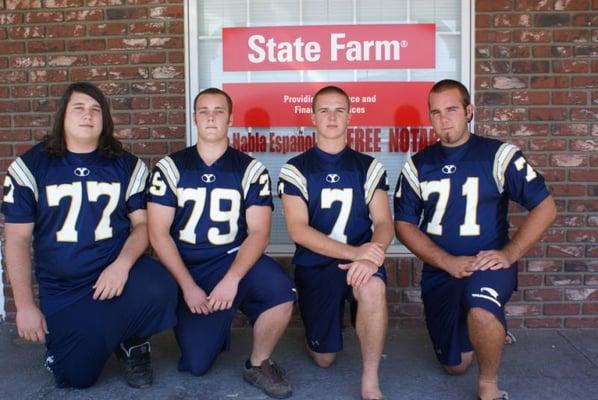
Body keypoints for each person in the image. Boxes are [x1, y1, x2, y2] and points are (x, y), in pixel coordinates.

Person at [1, 82, 178, 389]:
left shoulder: (125, 164)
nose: (88, 115)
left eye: (96, 109)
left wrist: (121, 265)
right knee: (75, 378)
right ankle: (93, 336)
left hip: (113, 276)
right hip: (64, 287)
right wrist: (26, 305)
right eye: (79, 108)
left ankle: (131, 343)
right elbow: (16, 239)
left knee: (159, 286)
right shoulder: (32, 166)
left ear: (105, 119)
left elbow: (142, 226)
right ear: (63, 116)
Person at [394, 79, 557, 400]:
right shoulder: (418, 164)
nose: (444, 119)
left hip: (487, 263)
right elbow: (404, 225)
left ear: (469, 111)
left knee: (481, 310)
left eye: (452, 109)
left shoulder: (498, 155)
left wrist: (510, 253)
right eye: (436, 112)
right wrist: (446, 262)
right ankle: (487, 327)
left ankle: (489, 386)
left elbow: (545, 207)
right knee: (454, 365)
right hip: (441, 270)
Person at [147, 88, 295, 399]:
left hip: (233, 259)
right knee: (197, 363)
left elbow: (259, 233)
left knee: (280, 290)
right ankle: (216, 329)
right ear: (194, 118)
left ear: (230, 118)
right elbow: (158, 233)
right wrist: (187, 286)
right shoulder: (171, 167)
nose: (211, 116)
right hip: (190, 266)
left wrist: (231, 279)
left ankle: (258, 363)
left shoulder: (249, 168)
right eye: (203, 110)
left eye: (218, 110)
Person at [279, 85, 393, 400]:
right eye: (324, 110)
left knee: (373, 287)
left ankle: (370, 380)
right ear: (313, 117)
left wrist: (372, 256)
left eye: (339, 110)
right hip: (317, 264)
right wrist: (355, 252)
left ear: (349, 116)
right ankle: (322, 331)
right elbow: (298, 230)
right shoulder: (296, 168)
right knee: (324, 359)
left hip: (360, 262)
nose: (332, 116)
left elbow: (384, 223)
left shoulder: (368, 166)